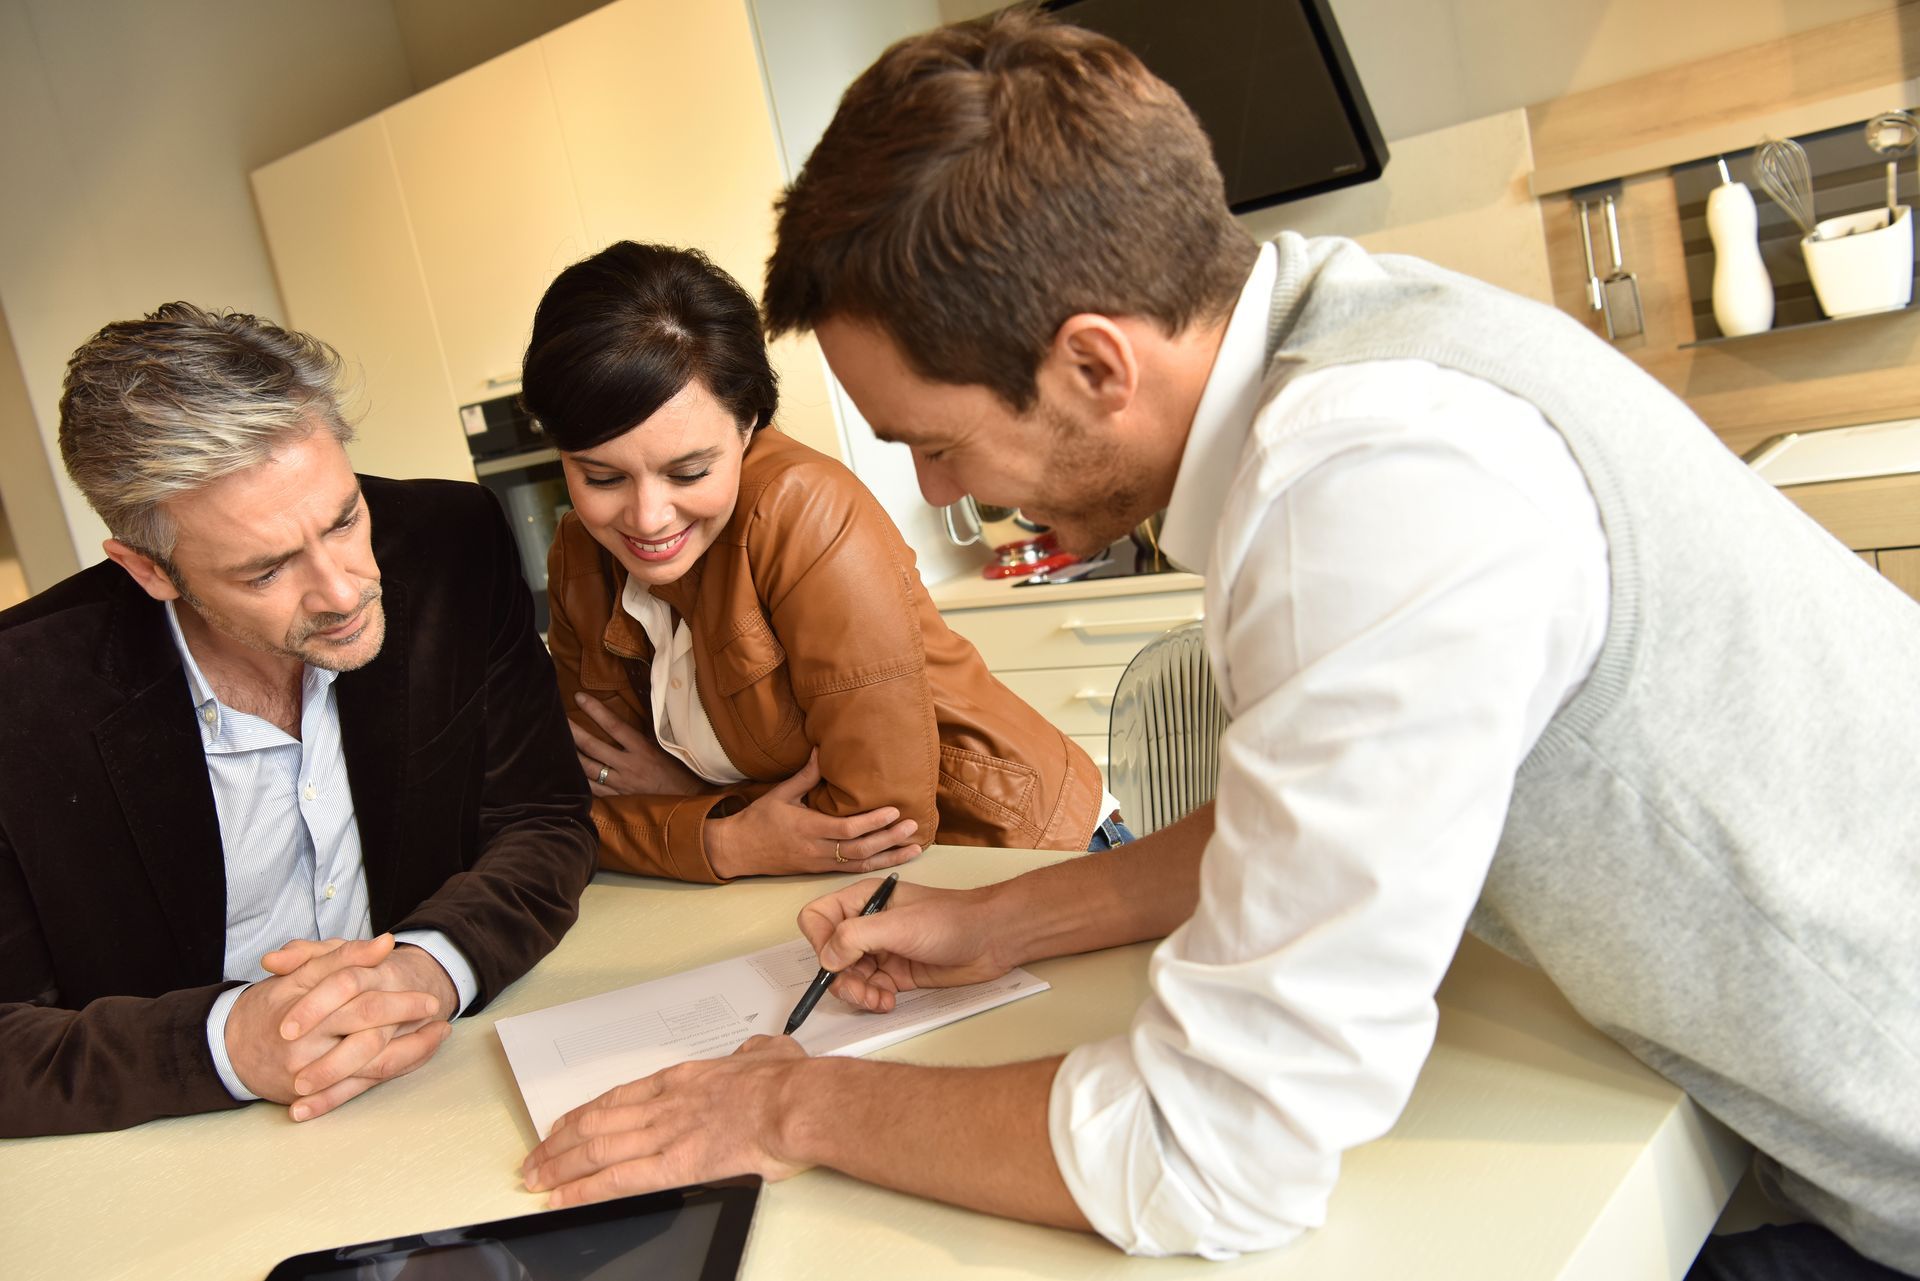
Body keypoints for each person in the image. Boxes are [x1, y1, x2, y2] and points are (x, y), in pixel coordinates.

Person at [516, 12, 1920, 1279]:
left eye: (937, 445)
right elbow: (1292, 814)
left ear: (1093, 366)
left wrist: (782, 1098)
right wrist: (996, 920)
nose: (942, 497)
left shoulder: (1365, 490)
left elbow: (1212, 1153)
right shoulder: (1348, 336)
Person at [0, 303, 596, 1137]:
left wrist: (433, 967)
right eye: (266, 569)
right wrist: (227, 1044)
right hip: (180, 1155)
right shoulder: (20, 696)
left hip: (446, 1081)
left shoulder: (451, 543)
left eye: (344, 518)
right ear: (147, 569)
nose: (345, 589)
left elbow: (541, 820)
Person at [521, 240, 1116, 882]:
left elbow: (880, 823)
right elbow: (567, 812)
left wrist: (699, 815)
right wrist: (727, 838)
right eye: (601, 477)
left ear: (748, 424)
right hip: (831, 894)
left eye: (689, 471)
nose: (647, 517)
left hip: (1013, 858)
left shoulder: (802, 510)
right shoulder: (580, 553)